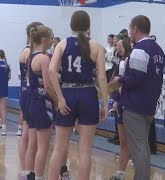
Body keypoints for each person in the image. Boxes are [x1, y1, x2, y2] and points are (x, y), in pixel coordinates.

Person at [48, 10, 108, 180]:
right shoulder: (97, 46)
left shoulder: (62, 44)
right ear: (89, 26)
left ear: (71, 26)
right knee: (85, 151)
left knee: (59, 148)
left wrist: (59, 98)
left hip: (67, 93)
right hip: (88, 94)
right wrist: (105, 103)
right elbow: (102, 77)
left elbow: (51, 70)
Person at [110, 15, 165, 180]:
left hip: (135, 105)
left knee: (138, 149)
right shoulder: (159, 50)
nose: (129, 33)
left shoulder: (140, 49)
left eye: (130, 29)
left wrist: (119, 80)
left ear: (135, 29)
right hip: (149, 105)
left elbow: (135, 78)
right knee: (143, 147)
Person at [26, 26, 57, 180]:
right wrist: (59, 101)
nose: (53, 41)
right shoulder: (44, 58)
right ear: (44, 39)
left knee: (33, 144)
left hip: (31, 103)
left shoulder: (31, 56)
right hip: (41, 104)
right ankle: (39, 177)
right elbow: (47, 85)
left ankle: (29, 174)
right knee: (43, 146)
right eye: (51, 38)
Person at [19, 21, 44, 180]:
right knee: (29, 136)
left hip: (27, 93)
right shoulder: (30, 52)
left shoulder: (29, 51)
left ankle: (26, 170)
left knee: (27, 134)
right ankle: (26, 170)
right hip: (30, 94)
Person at [110, 38, 132, 180]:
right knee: (124, 141)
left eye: (118, 45)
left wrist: (117, 99)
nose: (116, 47)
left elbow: (120, 83)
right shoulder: (121, 62)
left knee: (128, 141)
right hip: (123, 103)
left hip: (128, 104)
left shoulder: (126, 62)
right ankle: (120, 174)